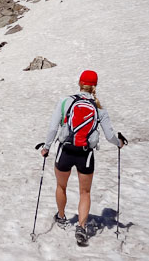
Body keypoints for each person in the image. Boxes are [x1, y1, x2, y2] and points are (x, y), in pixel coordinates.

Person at [41, 70, 124, 245]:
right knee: (85, 192)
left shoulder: (65, 101)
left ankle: (62, 217)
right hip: (85, 154)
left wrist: (46, 147)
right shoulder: (99, 107)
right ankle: (82, 226)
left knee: (61, 186)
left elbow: (53, 127)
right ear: (95, 86)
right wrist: (119, 143)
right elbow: (109, 135)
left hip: (65, 151)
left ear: (79, 82)